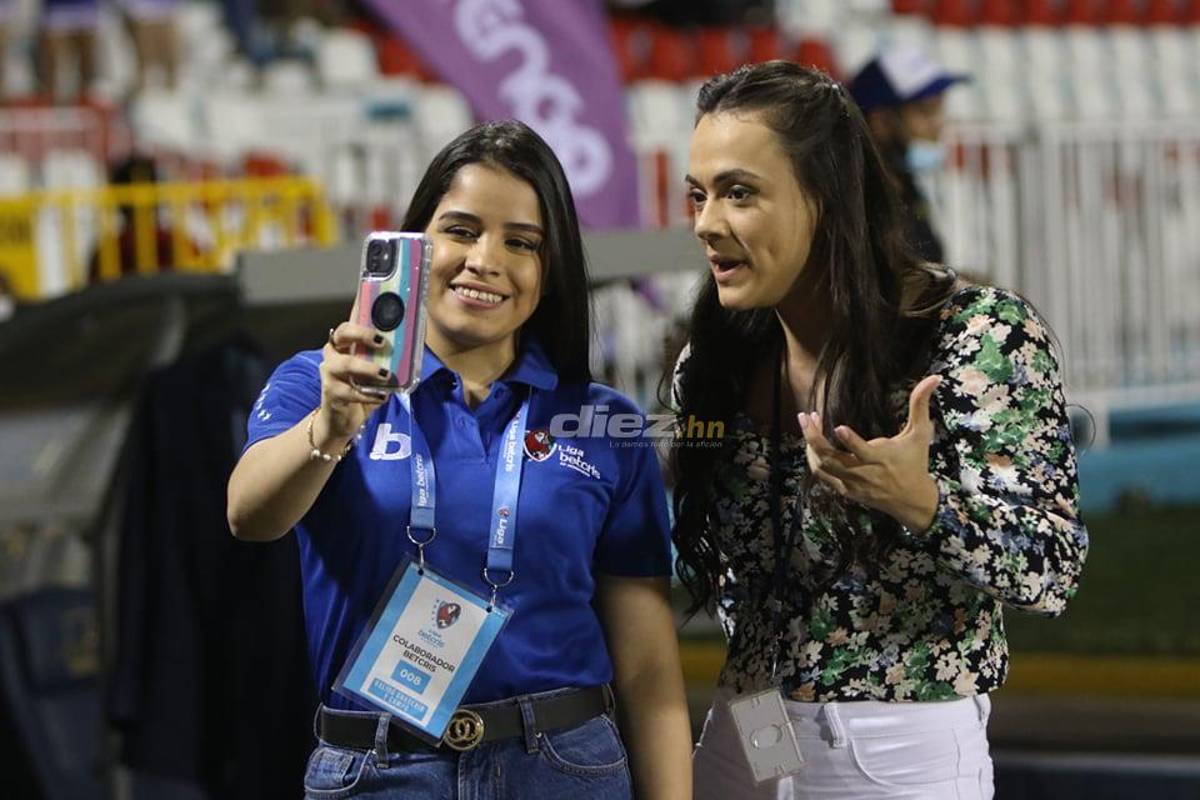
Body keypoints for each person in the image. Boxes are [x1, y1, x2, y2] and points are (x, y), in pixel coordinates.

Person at [226, 119, 692, 799]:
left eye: (521, 242)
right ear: (417, 243)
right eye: (462, 230)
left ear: (550, 268)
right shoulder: (318, 382)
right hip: (378, 770)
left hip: (564, 766)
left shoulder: (604, 423)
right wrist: (331, 427)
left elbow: (649, 671)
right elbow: (249, 515)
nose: (485, 260)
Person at [671, 61, 1088, 798]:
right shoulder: (715, 358)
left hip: (898, 750)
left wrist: (923, 502)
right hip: (749, 729)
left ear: (827, 200)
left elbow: (1052, 571)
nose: (707, 222)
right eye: (698, 195)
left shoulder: (978, 336)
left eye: (739, 193)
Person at [848, 45, 968, 265]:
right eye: (925, 112)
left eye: (940, 109)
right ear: (881, 121)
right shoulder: (858, 194)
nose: (939, 124)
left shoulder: (901, 178)